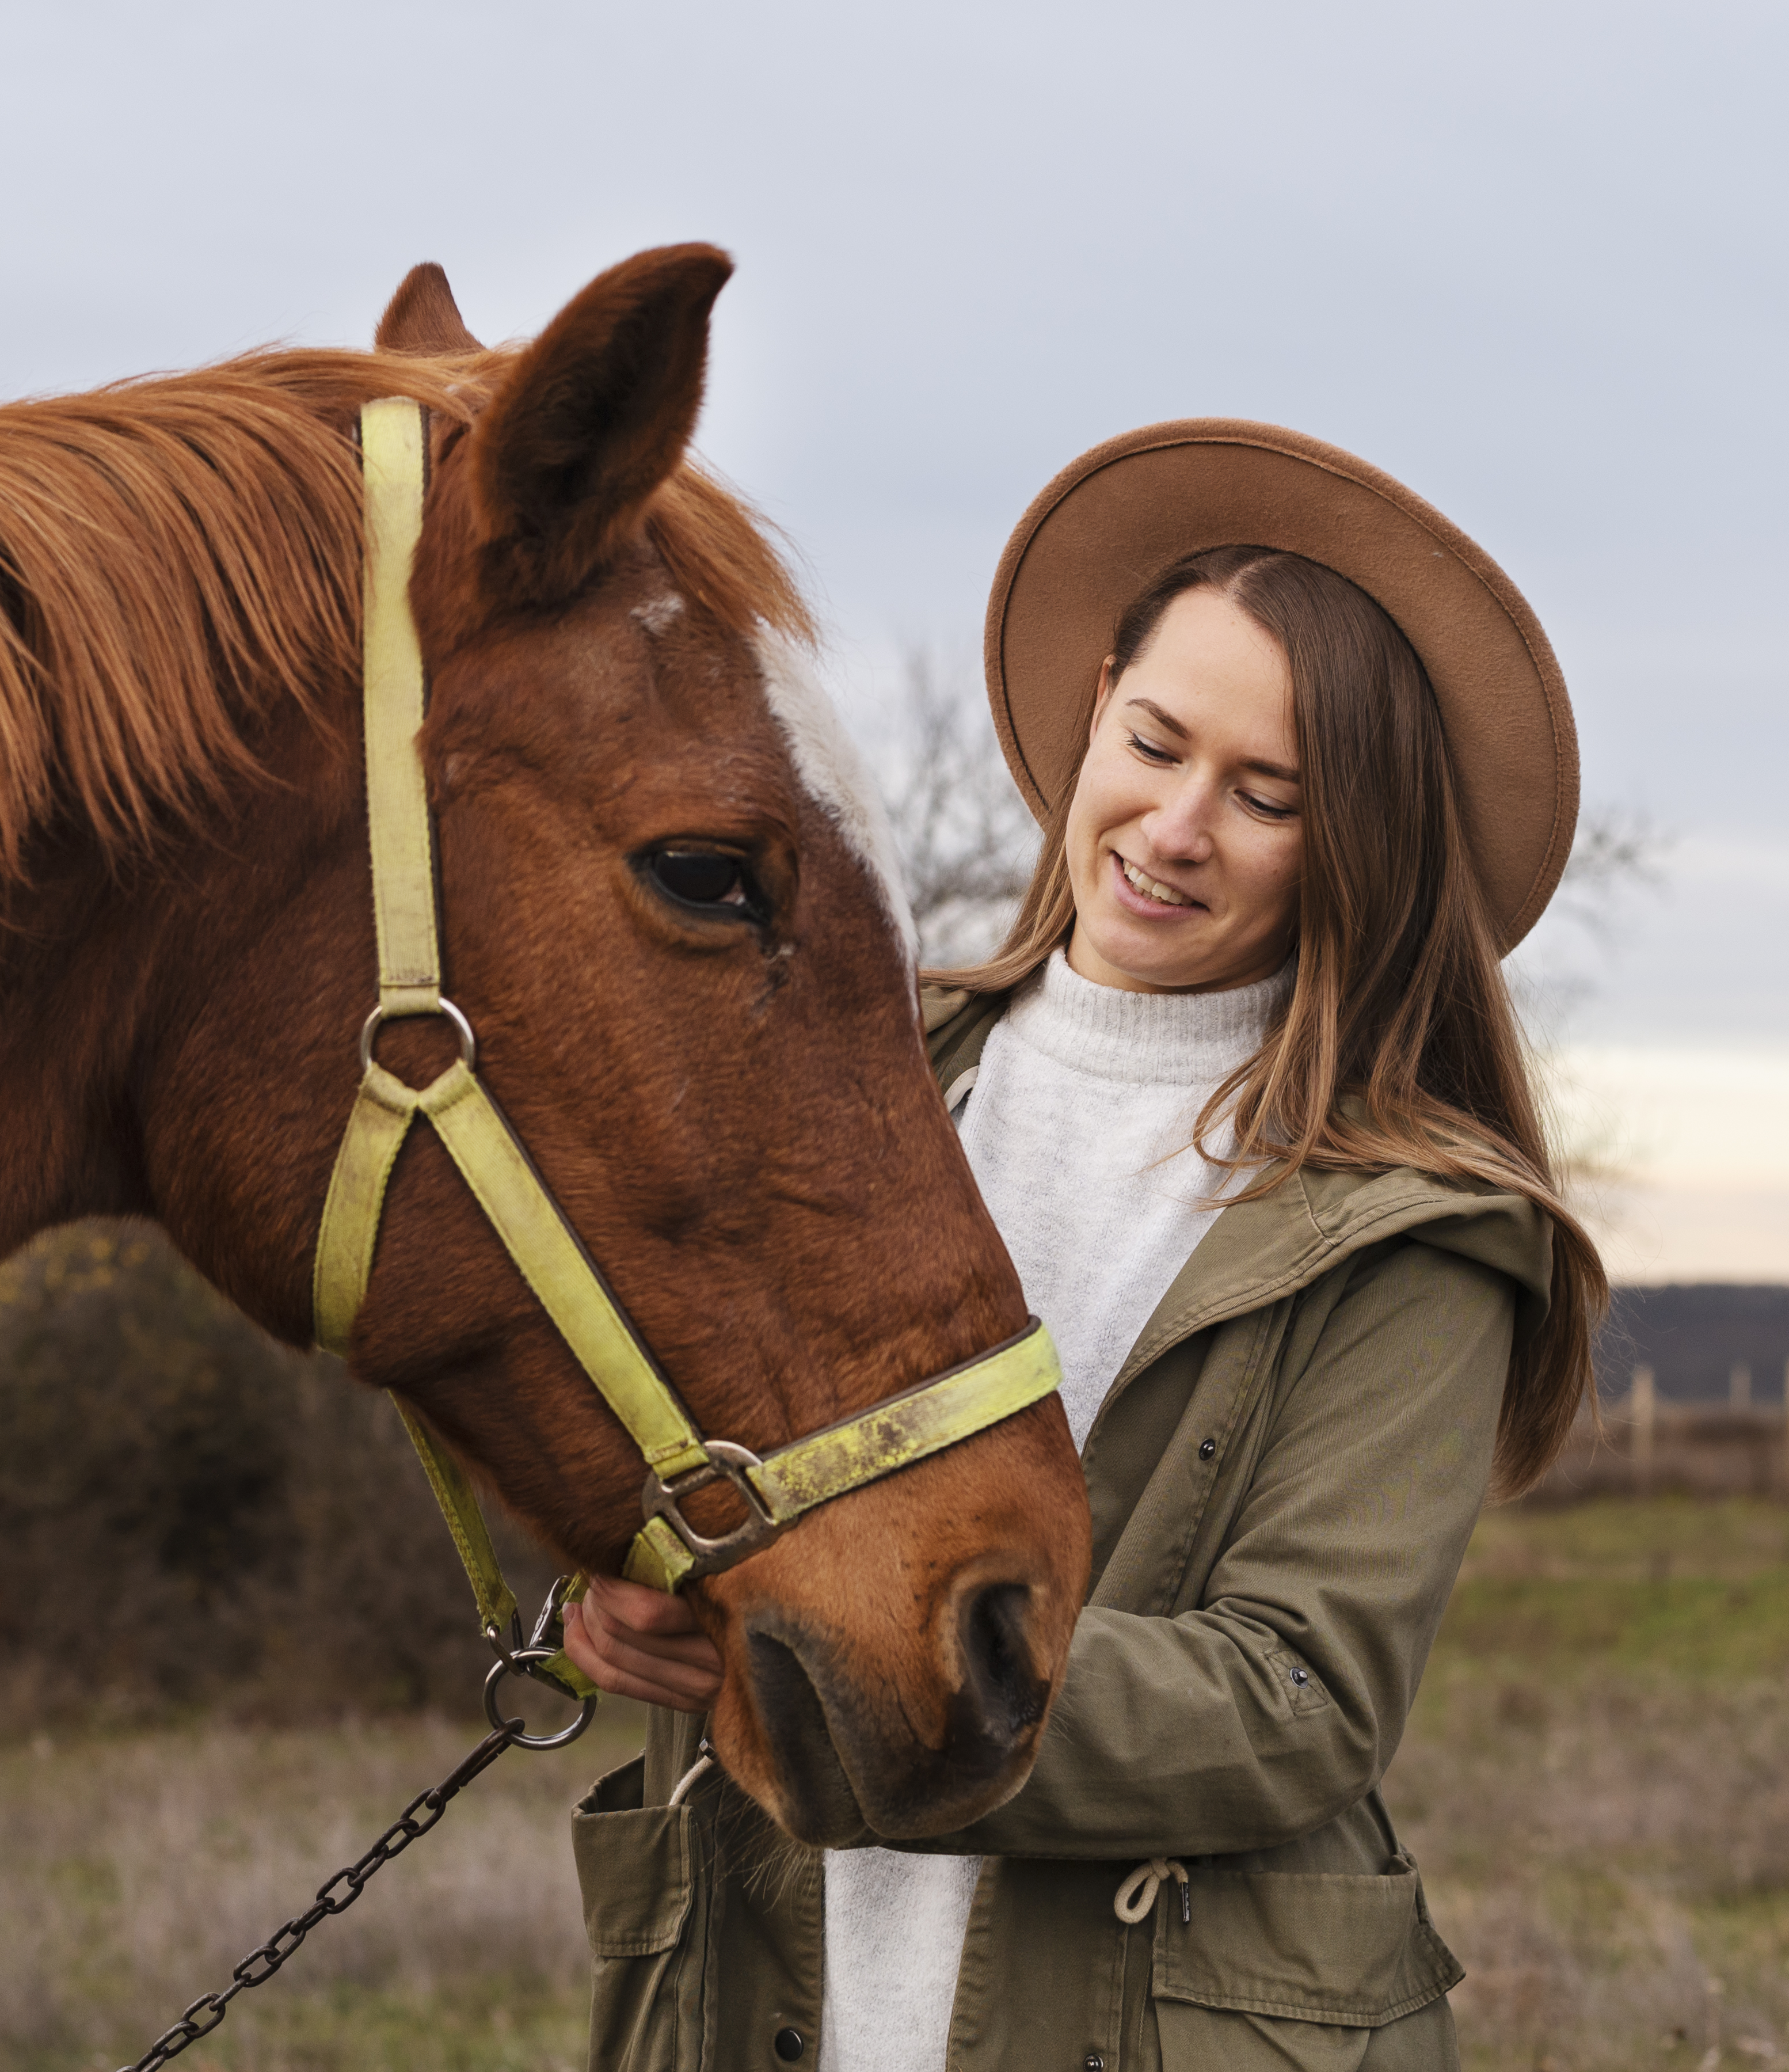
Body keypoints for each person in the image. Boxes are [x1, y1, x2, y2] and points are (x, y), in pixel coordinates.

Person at [559, 420, 1611, 2072]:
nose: (1177, 826)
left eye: (1267, 795)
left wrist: (837, 1674)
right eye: (1157, 740)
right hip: (768, 1996)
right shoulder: (864, 1067)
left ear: (1360, 846)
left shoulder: (1419, 1232)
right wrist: (620, 1592)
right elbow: (682, 1448)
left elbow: (1295, 1701)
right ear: (1097, 697)